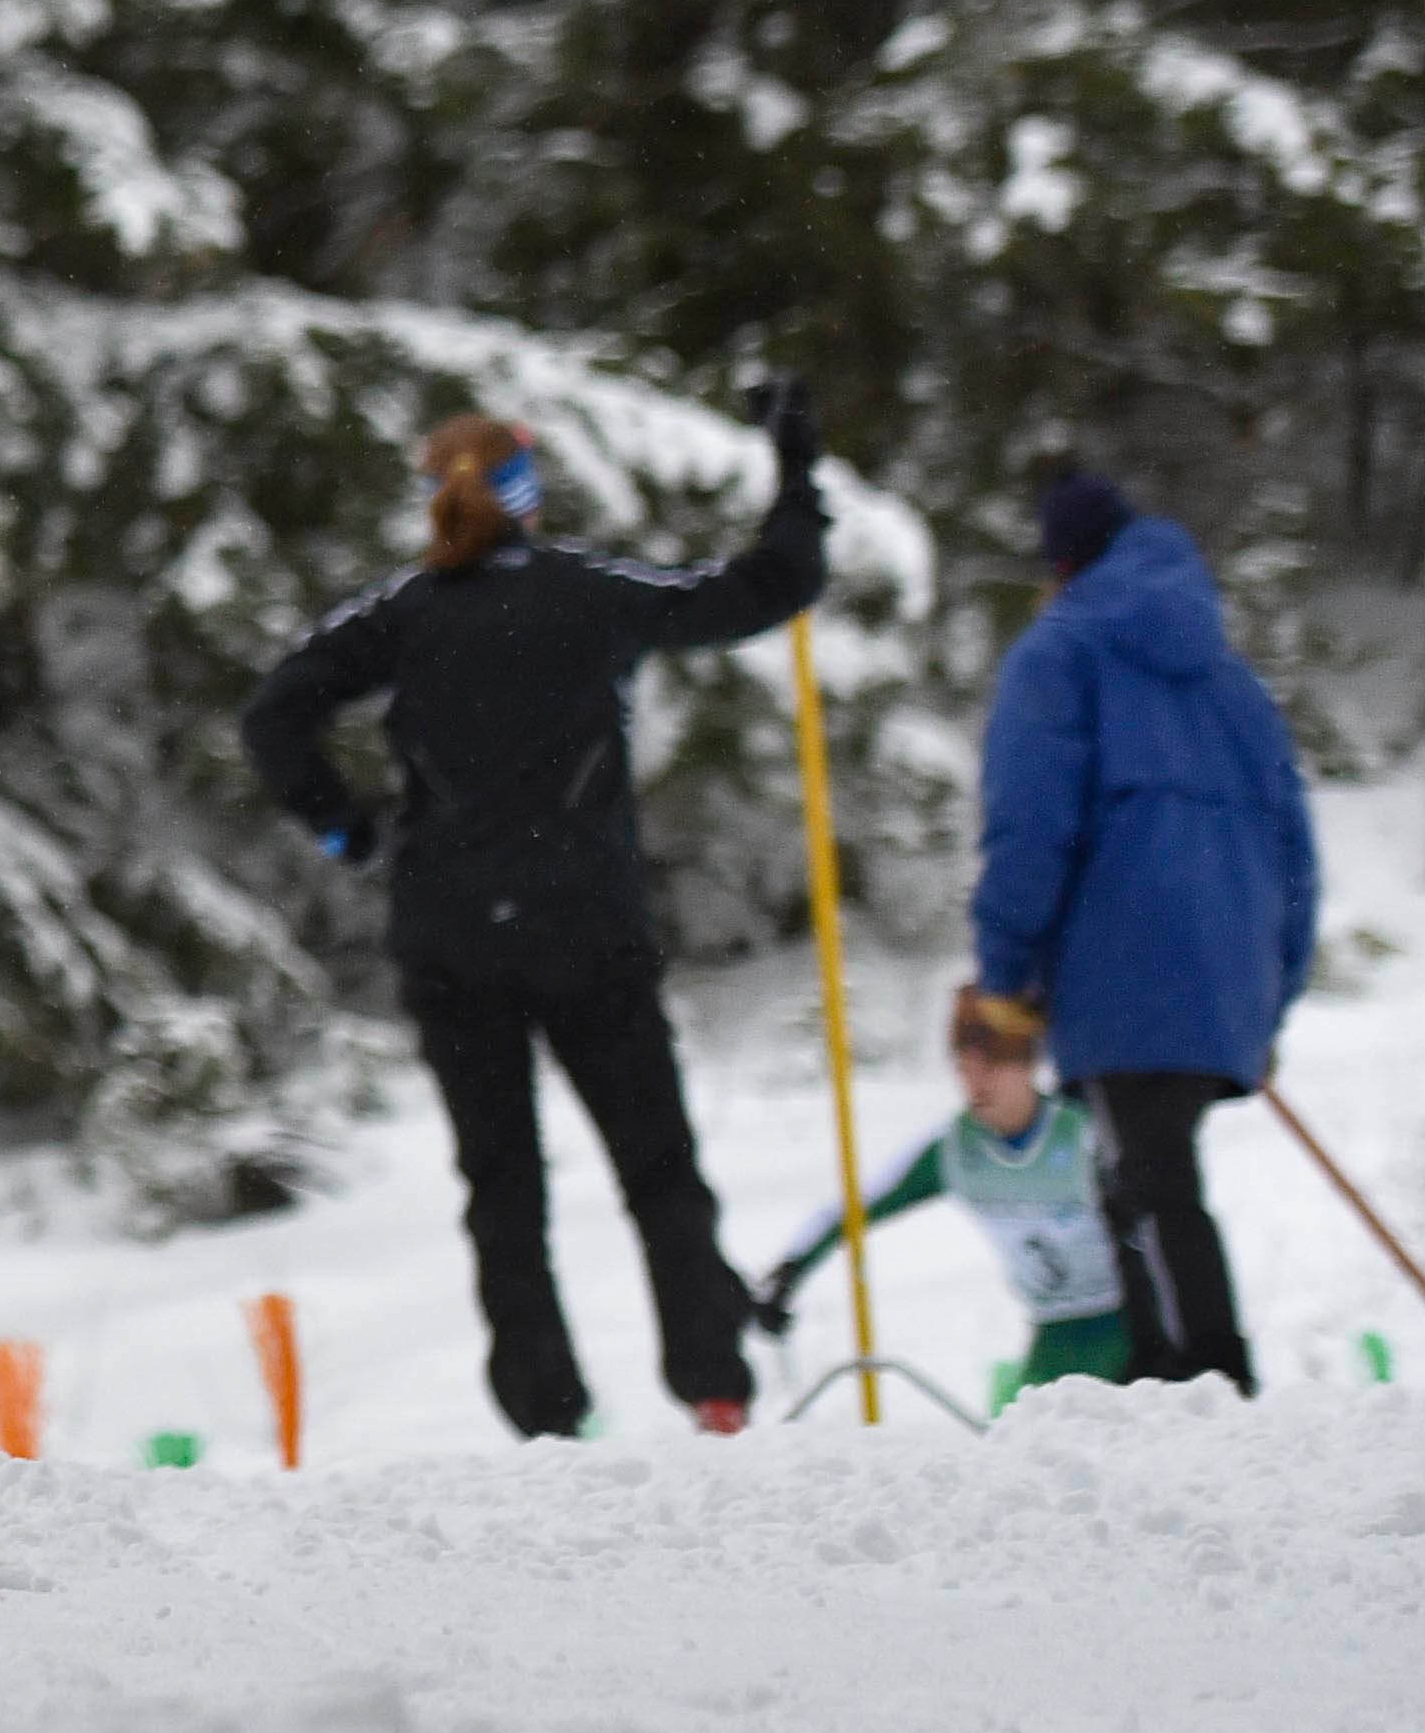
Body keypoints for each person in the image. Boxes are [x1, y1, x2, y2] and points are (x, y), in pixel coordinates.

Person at [241, 383, 828, 1440]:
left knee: (502, 1190)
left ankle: (545, 1418)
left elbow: (275, 711)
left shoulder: (399, 616)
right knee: (655, 1162)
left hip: (452, 940)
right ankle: (712, 1384)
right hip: (585, 930)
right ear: (529, 495)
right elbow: (763, 587)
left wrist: (347, 827)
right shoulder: (587, 593)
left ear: (433, 504)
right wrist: (793, 474)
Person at [972, 469, 1316, 1397]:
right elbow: (1296, 853)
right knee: (1137, 1178)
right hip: (1225, 970)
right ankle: (1162, 1373)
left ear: (1062, 566)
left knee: (1149, 1181)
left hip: (1124, 968)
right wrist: (1268, 996)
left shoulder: (1060, 655)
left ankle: (1199, 1379)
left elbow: (1028, 826)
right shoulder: (1234, 685)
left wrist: (1004, 969)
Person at [753, 987, 1126, 1401]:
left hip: (1127, 1324)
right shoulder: (955, 1149)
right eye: (963, 1066)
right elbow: (861, 1205)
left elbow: (1161, 1224)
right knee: (1029, 1434)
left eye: (993, 1064)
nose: (975, 1081)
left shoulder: (1082, 1134)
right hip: (1053, 1332)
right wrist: (790, 1271)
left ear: (1027, 1064)